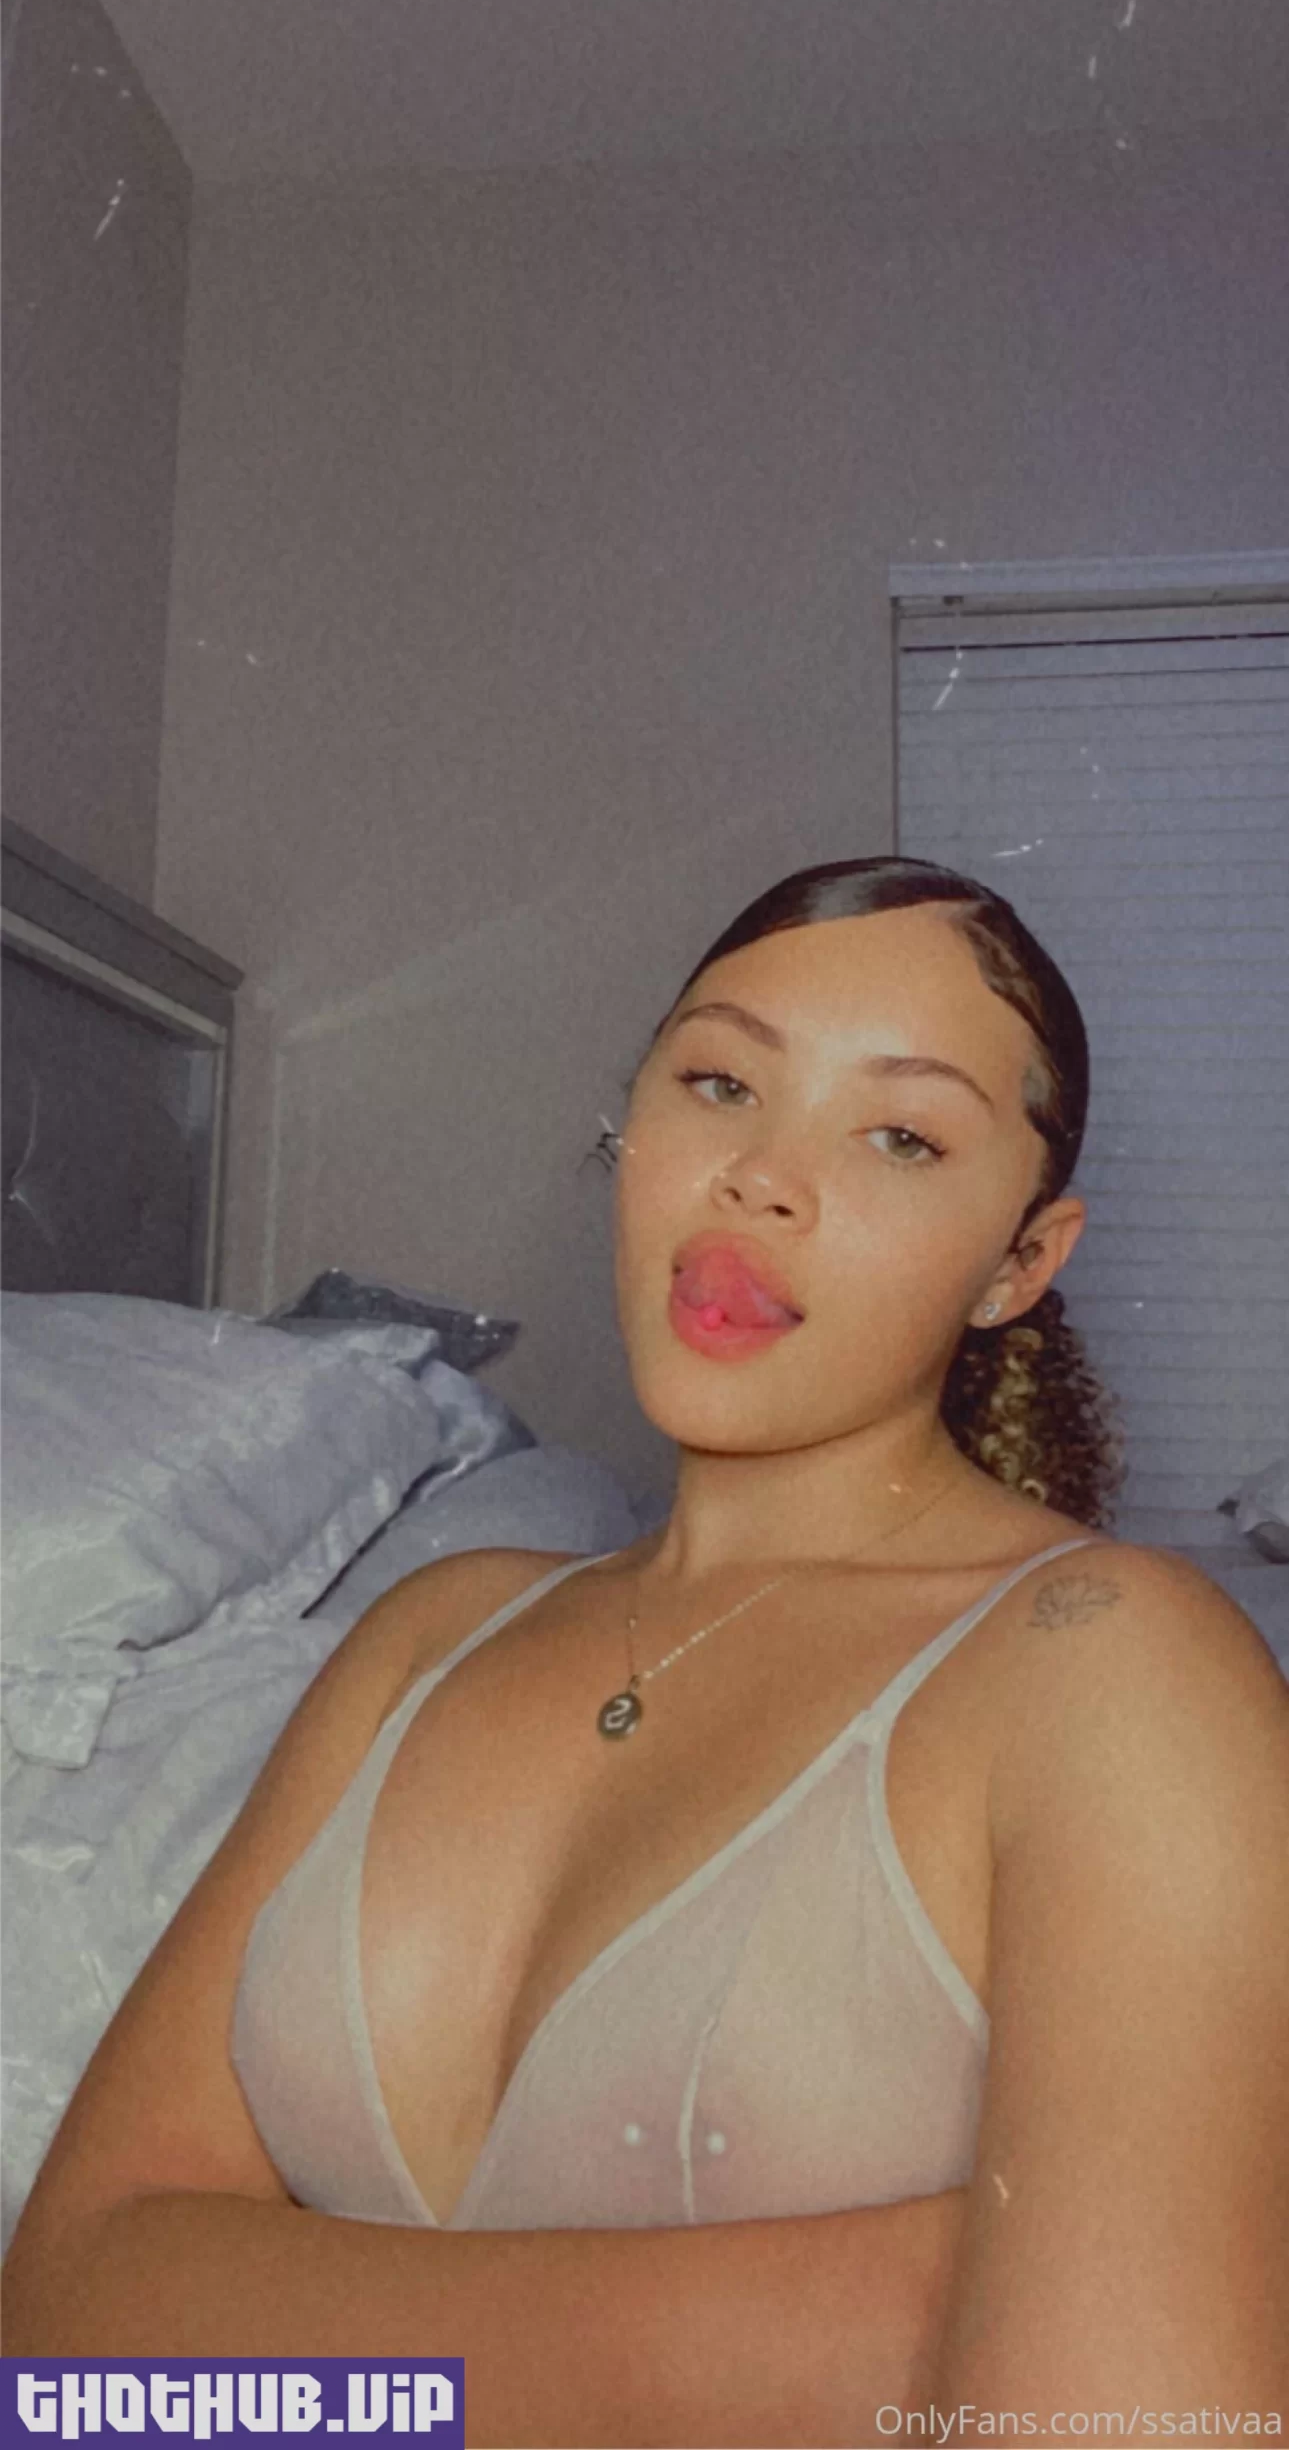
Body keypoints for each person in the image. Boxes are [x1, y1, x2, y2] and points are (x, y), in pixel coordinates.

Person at [5, 857, 1287, 2448]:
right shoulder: (427, 1633)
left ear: (1021, 1262)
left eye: (900, 1134)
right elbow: (58, 2328)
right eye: (721, 1082)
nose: (762, 1177)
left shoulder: (1116, 1667)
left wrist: (276, 2347)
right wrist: (872, 2312)